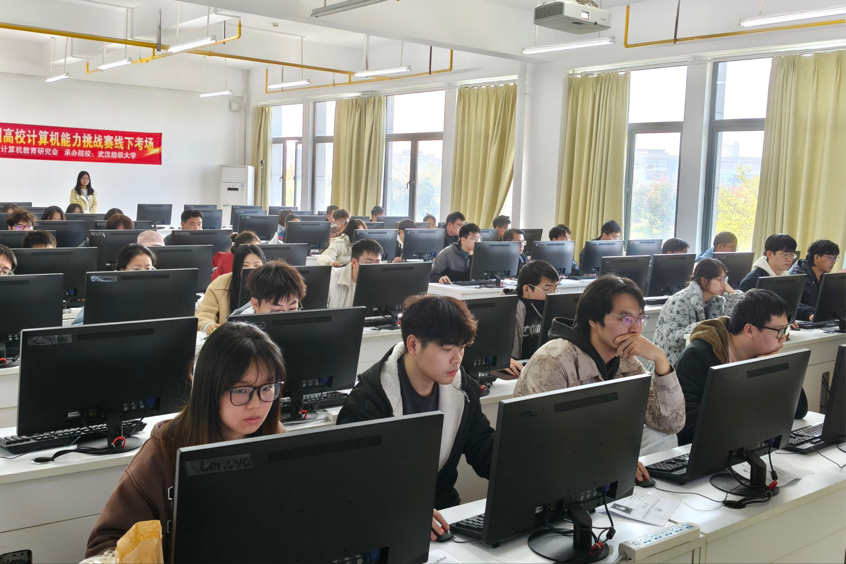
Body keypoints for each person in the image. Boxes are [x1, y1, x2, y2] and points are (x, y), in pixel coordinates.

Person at [85, 322, 286, 560]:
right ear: (209, 389)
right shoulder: (162, 454)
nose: (256, 404)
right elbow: (105, 543)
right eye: (241, 390)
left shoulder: (276, 440)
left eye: (267, 388)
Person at [337, 293, 494, 537]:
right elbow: (353, 485)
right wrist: (404, 510)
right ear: (413, 345)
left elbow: (483, 449)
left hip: (444, 521)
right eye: (447, 349)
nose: (457, 359)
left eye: (462, 348)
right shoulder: (367, 404)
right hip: (383, 526)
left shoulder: (464, 390)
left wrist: (522, 469)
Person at [514, 275, 685, 467]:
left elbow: (671, 424)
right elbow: (542, 442)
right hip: (560, 464)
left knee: (663, 438)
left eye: (640, 319)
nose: (636, 329)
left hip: (603, 450)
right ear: (593, 319)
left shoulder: (627, 361)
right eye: (626, 319)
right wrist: (610, 460)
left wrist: (661, 360)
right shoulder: (552, 361)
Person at [675, 289, 808, 445]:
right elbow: (689, 425)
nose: (784, 337)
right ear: (749, 330)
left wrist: (772, 365)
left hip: (747, 444)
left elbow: (799, 410)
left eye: (786, 330)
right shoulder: (698, 356)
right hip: (706, 448)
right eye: (779, 331)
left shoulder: (762, 353)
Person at [652, 258, 744, 366]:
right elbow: (672, 339)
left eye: (725, 279)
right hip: (671, 364)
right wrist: (705, 326)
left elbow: (730, 322)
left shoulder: (716, 300)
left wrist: (733, 294)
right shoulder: (680, 300)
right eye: (720, 279)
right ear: (704, 281)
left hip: (697, 361)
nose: (724, 284)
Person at [72, 244, 158, 325]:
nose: (144, 274)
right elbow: (77, 326)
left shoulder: (157, 294)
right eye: (136, 269)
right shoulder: (104, 293)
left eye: (148, 268)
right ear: (122, 271)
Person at [197, 245, 265, 334]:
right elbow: (204, 314)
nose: (251, 270)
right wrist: (209, 325)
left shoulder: (272, 284)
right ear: (237, 267)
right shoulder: (220, 284)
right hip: (229, 337)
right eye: (245, 266)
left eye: (257, 265)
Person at [512, 259, 559, 362]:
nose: (553, 294)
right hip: (519, 364)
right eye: (547, 290)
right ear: (526, 289)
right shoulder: (510, 308)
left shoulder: (554, 305)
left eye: (555, 289)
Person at [230, 260, 307, 316]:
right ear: (255, 303)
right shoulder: (240, 330)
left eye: (292, 309)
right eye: (276, 311)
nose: (286, 318)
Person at [789, 240, 841, 321]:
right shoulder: (797, 275)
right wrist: (809, 314)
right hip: (802, 321)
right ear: (817, 257)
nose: (834, 262)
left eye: (835, 258)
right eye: (831, 258)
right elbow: (790, 303)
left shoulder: (825, 277)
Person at [327, 239, 383, 309]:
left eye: (377, 263)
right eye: (369, 263)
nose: (374, 268)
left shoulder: (382, 282)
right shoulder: (330, 279)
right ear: (354, 262)